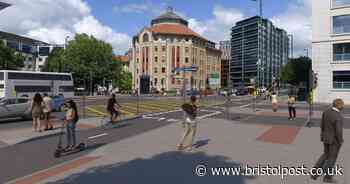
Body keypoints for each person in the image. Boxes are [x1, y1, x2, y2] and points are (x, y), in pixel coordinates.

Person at [311, 99, 344, 183]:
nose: (343, 106)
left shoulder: (326, 112)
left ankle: (314, 173)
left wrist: (322, 135)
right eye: (342, 105)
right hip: (334, 141)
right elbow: (338, 131)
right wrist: (340, 141)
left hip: (325, 138)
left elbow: (322, 125)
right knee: (331, 159)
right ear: (339, 105)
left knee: (325, 155)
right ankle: (327, 178)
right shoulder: (338, 116)